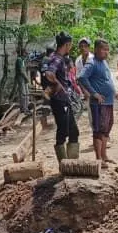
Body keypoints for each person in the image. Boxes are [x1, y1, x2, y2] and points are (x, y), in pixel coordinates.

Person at [41, 32, 80, 160]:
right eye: (71, 44)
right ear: (67, 44)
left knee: (73, 131)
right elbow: (49, 74)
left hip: (64, 99)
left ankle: (72, 164)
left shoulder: (58, 57)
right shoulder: (57, 58)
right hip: (59, 100)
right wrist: (59, 85)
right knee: (63, 131)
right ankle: (64, 164)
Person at [78, 39, 116, 164]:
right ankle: (98, 159)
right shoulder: (92, 63)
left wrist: (114, 92)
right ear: (96, 50)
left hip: (108, 102)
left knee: (106, 129)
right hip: (98, 104)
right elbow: (82, 77)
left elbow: (106, 79)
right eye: (104, 49)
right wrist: (94, 93)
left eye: (107, 50)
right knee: (98, 130)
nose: (106, 52)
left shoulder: (104, 62)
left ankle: (104, 156)